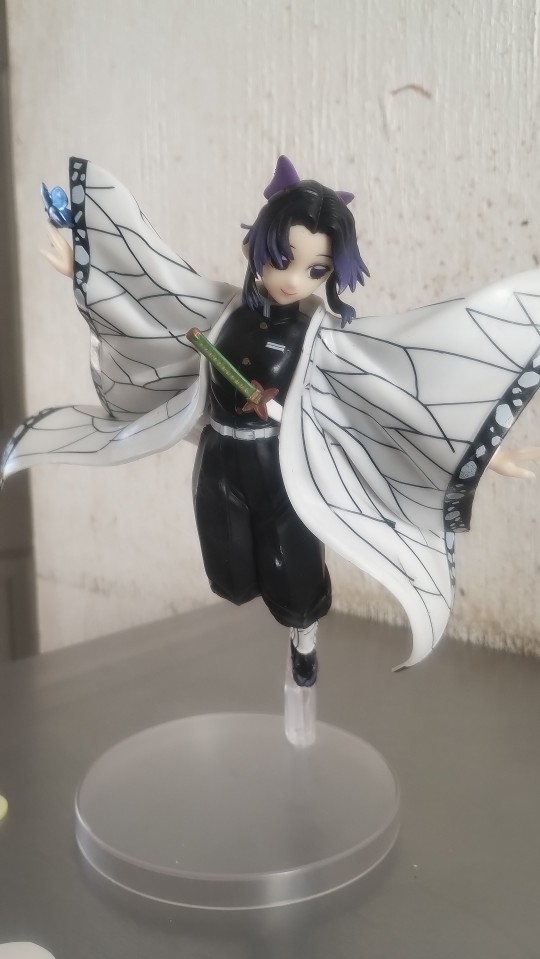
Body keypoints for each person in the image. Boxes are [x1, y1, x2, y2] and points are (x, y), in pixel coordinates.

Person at [3, 157, 540, 680]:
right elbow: (150, 292)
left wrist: (488, 453)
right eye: (282, 258)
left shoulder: (321, 340)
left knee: (293, 571)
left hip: (282, 466)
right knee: (230, 570)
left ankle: (304, 639)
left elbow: (395, 398)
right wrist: (84, 272)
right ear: (253, 248)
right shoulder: (220, 311)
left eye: (315, 269)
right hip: (221, 458)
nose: (294, 279)